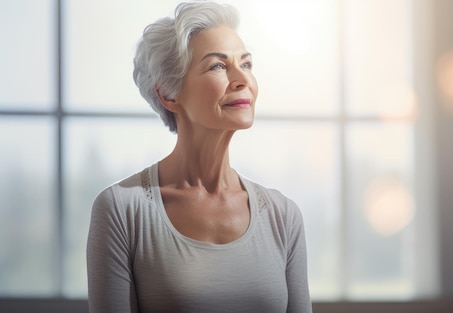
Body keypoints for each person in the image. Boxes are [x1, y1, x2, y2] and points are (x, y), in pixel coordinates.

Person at [86, 1, 312, 312]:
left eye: (246, 64)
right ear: (168, 93)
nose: (242, 79)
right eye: (219, 66)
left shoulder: (283, 216)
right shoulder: (122, 210)